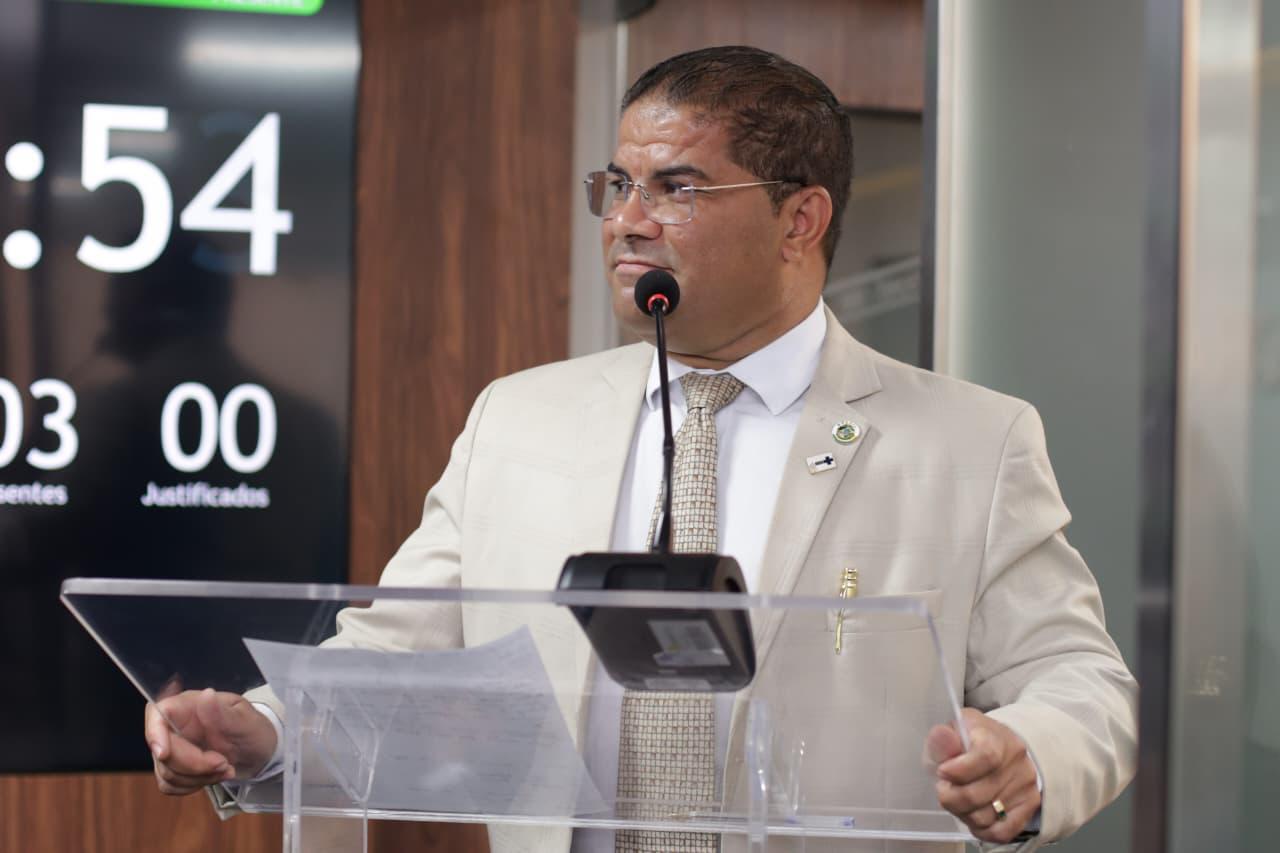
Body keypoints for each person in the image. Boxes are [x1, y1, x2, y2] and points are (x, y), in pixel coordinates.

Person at [144, 46, 1138, 851]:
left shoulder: (972, 441)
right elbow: (396, 655)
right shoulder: (517, 420)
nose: (626, 219)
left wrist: (1029, 754)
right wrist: (264, 728)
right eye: (618, 183)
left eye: (678, 186)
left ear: (800, 218)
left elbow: (1081, 683)